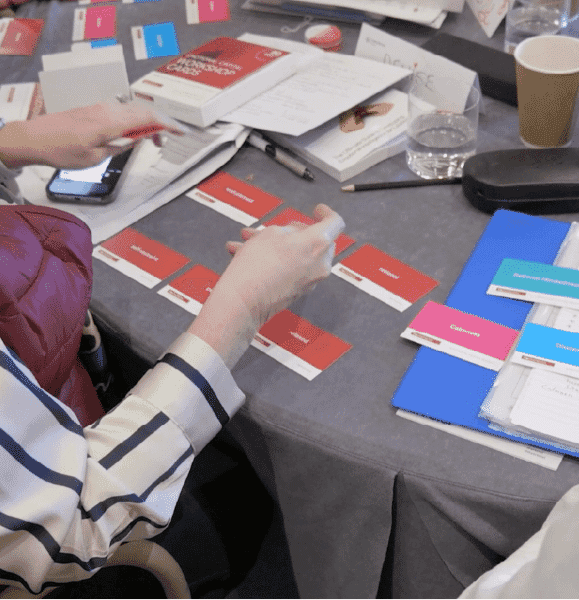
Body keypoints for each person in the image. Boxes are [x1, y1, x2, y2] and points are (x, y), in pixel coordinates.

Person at [0, 101, 345, 595]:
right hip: (88, 550)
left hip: (65, 389)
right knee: (259, 507)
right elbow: (72, 524)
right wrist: (243, 307)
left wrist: (13, 141)